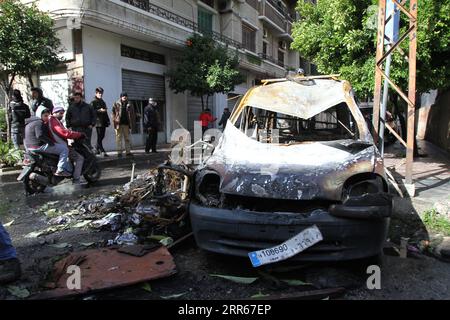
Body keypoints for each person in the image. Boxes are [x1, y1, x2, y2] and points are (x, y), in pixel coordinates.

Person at [24, 106, 72, 177]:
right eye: (45, 116)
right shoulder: (39, 122)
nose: (47, 118)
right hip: (37, 146)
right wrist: (50, 142)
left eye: (48, 116)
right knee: (64, 149)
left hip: (29, 147)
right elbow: (39, 135)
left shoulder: (30, 122)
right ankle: (60, 170)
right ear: (40, 115)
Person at [49, 107, 86, 185]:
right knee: (80, 158)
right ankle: (76, 179)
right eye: (60, 113)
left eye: (63, 113)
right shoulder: (54, 122)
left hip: (57, 144)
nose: (62, 115)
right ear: (54, 113)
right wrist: (78, 134)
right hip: (60, 145)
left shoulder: (53, 121)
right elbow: (64, 133)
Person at [112, 92, 136, 157]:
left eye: (125, 96)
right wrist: (114, 123)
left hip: (126, 124)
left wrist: (132, 124)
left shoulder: (129, 104)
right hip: (118, 124)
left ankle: (128, 152)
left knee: (127, 138)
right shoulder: (116, 104)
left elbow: (132, 114)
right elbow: (113, 114)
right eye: (123, 96)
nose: (124, 97)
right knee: (118, 138)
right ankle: (119, 152)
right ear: (121, 97)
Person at [91, 87, 110, 157]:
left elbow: (105, 112)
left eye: (101, 93)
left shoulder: (103, 101)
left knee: (102, 136)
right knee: (99, 136)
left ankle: (96, 149)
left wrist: (108, 120)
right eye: (99, 93)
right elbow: (91, 111)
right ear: (96, 93)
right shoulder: (93, 102)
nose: (100, 94)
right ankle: (102, 150)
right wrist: (99, 110)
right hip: (97, 121)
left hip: (103, 121)